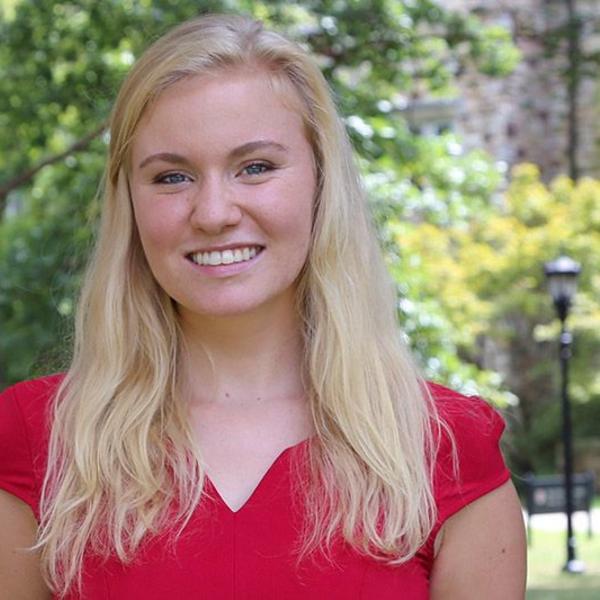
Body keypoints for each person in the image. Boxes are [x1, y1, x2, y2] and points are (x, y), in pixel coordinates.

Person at [0, 13, 526, 599]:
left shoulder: (446, 451)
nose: (214, 212)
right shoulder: (37, 442)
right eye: (172, 177)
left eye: (256, 167)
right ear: (130, 203)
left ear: (321, 185)